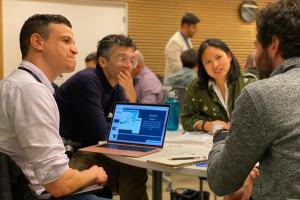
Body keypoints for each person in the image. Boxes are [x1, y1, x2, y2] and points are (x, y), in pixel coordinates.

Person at [0, 14, 109, 199]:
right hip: (36, 193)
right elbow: (59, 184)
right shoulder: (30, 90)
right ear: (37, 42)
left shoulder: (13, 84)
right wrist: (92, 173)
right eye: (66, 41)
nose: (75, 50)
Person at [207, 0, 300, 199]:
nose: (255, 60)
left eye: (256, 47)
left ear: (274, 44)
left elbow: (221, 181)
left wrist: (222, 136)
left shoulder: (261, 95)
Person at [55, 34, 149, 200]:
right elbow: (103, 134)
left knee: (135, 166)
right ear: (103, 62)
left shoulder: (117, 86)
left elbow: (132, 130)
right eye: (122, 59)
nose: (128, 66)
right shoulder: (87, 81)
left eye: (131, 60)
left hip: (89, 150)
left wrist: (132, 98)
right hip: (66, 155)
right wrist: (119, 126)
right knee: (131, 168)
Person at [181, 38, 257, 132]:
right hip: (210, 143)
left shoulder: (249, 82)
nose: (215, 65)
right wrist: (206, 125)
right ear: (203, 66)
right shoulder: (195, 87)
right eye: (208, 61)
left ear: (229, 56)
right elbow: (186, 119)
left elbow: (262, 118)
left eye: (218, 57)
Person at [164, 13, 200, 84]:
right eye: (194, 27)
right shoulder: (175, 42)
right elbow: (178, 67)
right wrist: (194, 75)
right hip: (176, 84)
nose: (196, 30)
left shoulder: (187, 39)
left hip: (186, 81)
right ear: (185, 26)